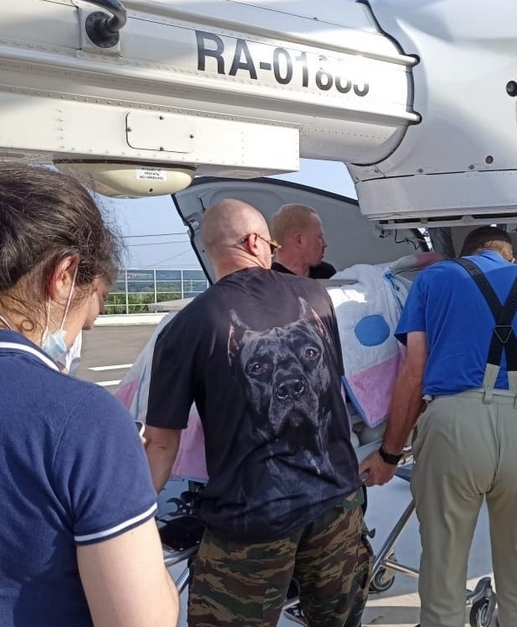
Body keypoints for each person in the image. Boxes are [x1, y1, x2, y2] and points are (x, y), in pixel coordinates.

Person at [0, 164, 178, 627]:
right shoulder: (87, 422)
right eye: (86, 321)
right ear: (64, 274)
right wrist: (127, 485)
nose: (79, 336)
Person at [144, 198, 371, 627]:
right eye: (271, 244)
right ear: (254, 242)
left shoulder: (188, 325)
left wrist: (130, 519)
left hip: (252, 518)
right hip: (336, 503)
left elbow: (159, 443)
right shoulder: (316, 297)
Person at [359, 226, 517, 627]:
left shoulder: (437, 277)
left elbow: (414, 372)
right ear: (508, 257)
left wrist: (389, 454)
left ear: (465, 255)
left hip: (458, 422)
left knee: (445, 560)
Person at [269, 202, 337, 278]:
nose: (325, 244)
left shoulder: (326, 273)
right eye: (319, 237)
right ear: (299, 240)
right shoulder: (268, 281)